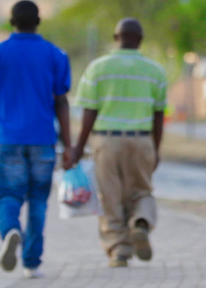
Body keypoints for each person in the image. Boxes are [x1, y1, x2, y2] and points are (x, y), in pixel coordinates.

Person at [0, 0, 72, 278]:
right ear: (38, 21)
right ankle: (32, 263)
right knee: (38, 201)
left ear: (11, 22)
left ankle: (10, 232)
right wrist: (69, 145)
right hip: (43, 139)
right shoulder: (55, 54)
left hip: (7, 138)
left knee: (8, 194)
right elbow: (62, 102)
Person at [71, 18, 167, 268]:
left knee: (110, 196)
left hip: (107, 140)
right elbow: (159, 116)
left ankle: (119, 251)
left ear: (116, 38)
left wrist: (79, 147)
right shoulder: (155, 70)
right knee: (142, 191)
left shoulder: (98, 67)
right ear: (140, 40)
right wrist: (155, 149)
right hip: (142, 140)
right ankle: (141, 222)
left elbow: (89, 112)